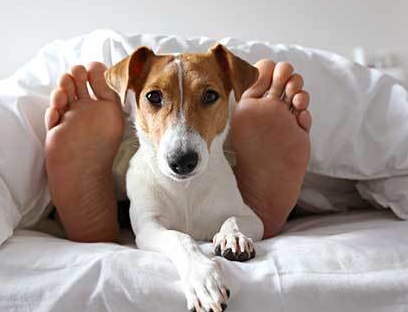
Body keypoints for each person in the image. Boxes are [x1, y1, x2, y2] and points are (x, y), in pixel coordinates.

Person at [43, 59, 311, 242]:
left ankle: (247, 217)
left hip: (211, 174)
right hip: (144, 172)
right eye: (154, 97)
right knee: (142, 194)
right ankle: (103, 217)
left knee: (220, 206)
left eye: (208, 97)